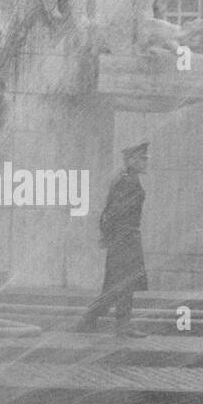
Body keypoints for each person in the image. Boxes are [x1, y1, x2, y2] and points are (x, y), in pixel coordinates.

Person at [76, 142, 150, 338]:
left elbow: (111, 212)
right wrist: (112, 236)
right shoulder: (127, 181)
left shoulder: (128, 179)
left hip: (125, 237)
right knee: (123, 282)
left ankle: (94, 320)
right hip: (125, 238)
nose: (146, 162)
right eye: (143, 158)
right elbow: (114, 212)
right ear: (132, 160)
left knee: (118, 283)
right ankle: (114, 323)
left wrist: (110, 236)